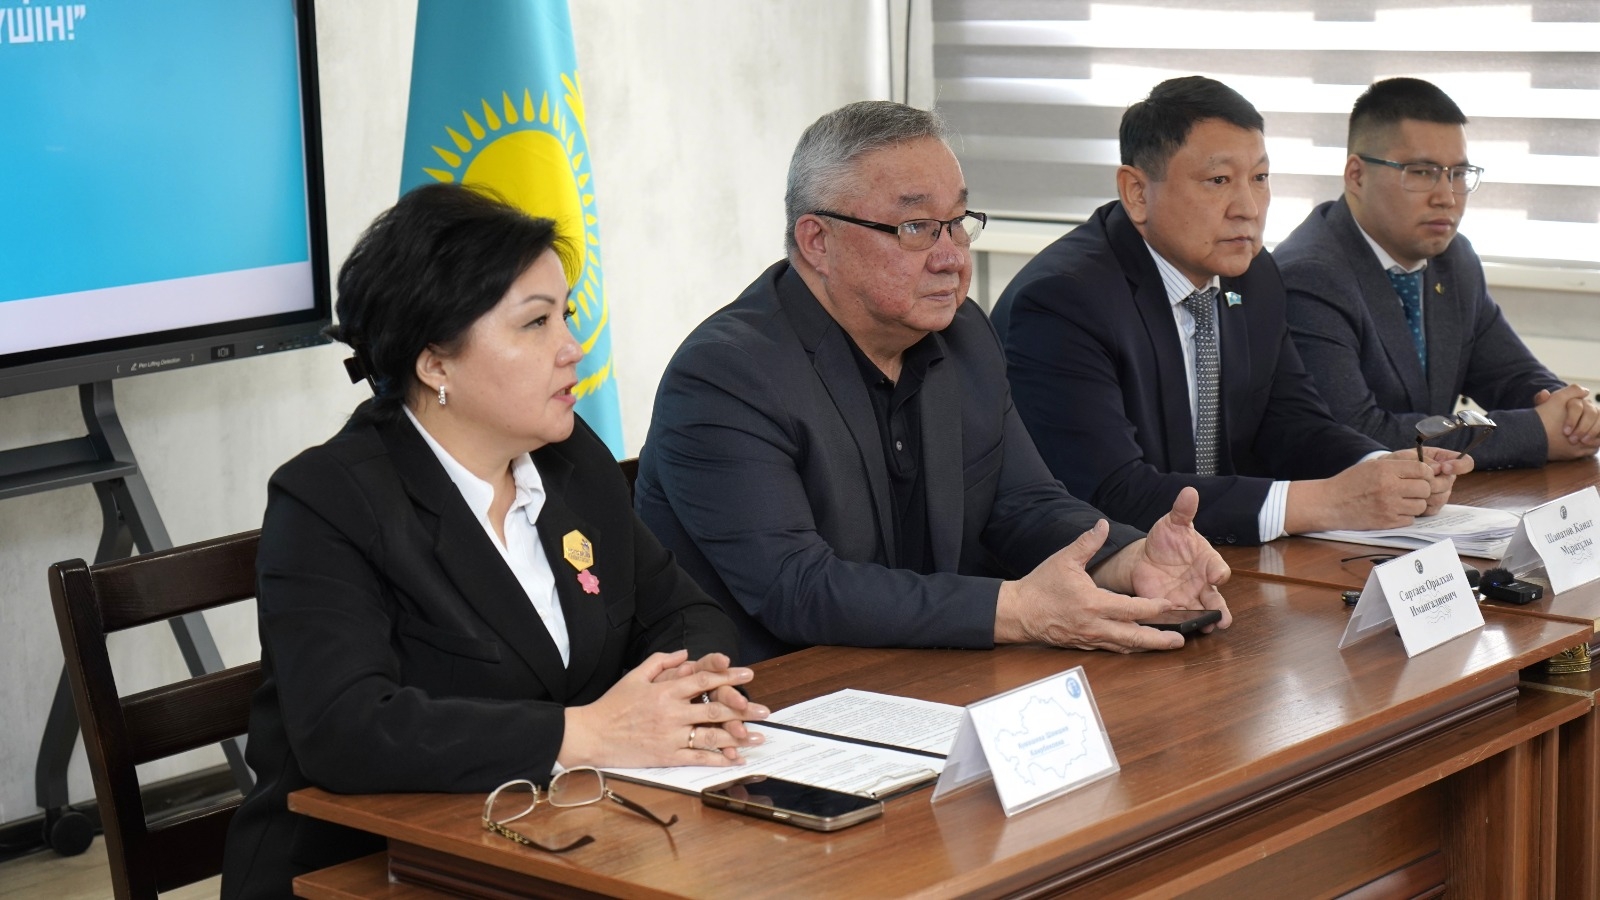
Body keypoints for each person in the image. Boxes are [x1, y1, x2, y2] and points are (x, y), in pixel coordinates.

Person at [221, 184, 765, 898]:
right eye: (535, 323)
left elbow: (683, 612)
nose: (572, 348)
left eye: (565, 315)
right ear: (435, 363)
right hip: (363, 870)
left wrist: (682, 695)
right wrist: (583, 734)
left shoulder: (571, 460)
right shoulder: (329, 499)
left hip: (565, 837)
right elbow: (346, 729)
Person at [635, 100, 1231, 665]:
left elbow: (1021, 504)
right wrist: (1017, 610)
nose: (952, 257)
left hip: (925, 673)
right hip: (771, 699)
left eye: (957, 223)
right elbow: (798, 588)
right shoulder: (726, 376)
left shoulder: (962, 334)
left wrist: (1129, 560)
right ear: (818, 241)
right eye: (917, 227)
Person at [993, 76, 1469, 548]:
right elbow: (1109, 493)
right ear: (1137, 192)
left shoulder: (1252, 274)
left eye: (1259, 178)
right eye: (1218, 180)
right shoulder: (1064, 300)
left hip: (1218, 556)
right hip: (1089, 574)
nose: (1248, 208)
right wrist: (1325, 502)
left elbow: (1292, 424)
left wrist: (1387, 471)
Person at [1275, 77, 1600, 469]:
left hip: (1432, 497)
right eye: (1421, 172)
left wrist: (1570, 413)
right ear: (1357, 175)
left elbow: (1511, 374)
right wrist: (1536, 432)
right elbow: (1357, 433)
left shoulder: (1454, 258)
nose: (1446, 196)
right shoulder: (1311, 276)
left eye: (1458, 174)